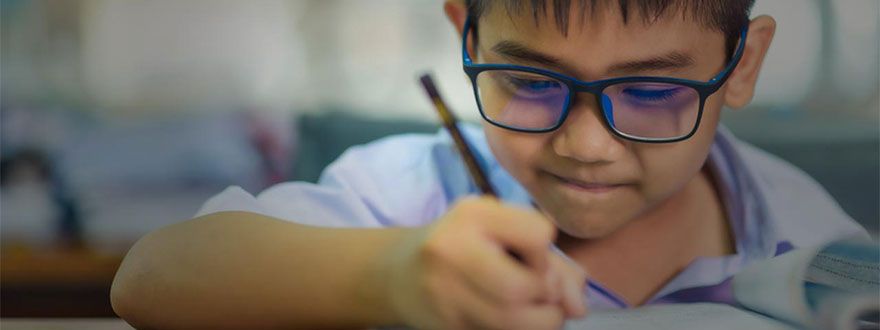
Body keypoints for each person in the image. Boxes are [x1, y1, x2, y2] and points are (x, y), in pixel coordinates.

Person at [110, 1, 868, 329]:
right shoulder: (415, 192)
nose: (586, 145)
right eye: (533, 82)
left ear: (744, 62)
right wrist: (392, 274)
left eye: (649, 90)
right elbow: (152, 278)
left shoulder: (802, 233)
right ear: (467, 43)